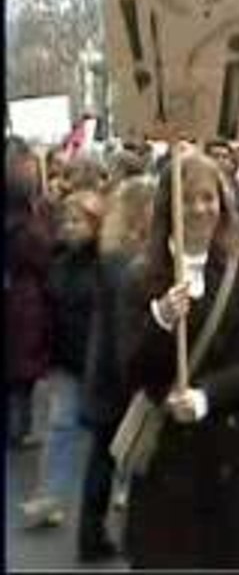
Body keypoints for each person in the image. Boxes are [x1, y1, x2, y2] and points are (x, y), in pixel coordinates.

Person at [117, 149, 239, 569]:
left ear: (222, 205)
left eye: (208, 198)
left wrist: (206, 396)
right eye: (187, 199)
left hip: (231, 457)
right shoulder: (142, 276)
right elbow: (127, 367)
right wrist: (160, 320)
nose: (198, 209)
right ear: (168, 207)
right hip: (167, 461)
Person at [76, 175, 156, 562]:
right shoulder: (125, 265)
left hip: (103, 372)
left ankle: (92, 535)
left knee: (105, 459)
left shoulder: (112, 257)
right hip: (117, 377)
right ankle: (111, 537)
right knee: (127, 457)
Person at [20, 189, 105, 529]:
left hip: (98, 361)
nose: (69, 227)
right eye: (66, 220)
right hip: (67, 360)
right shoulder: (58, 260)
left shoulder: (105, 265)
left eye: (78, 221)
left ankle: (126, 486)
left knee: (107, 435)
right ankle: (51, 498)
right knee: (61, 426)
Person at [6, 143, 54, 451]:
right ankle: (18, 428)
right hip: (23, 302)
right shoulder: (27, 225)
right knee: (20, 374)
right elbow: (42, 257)